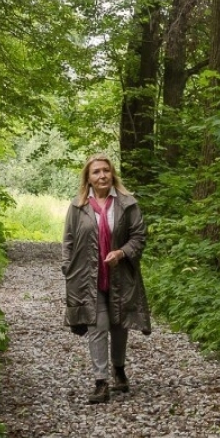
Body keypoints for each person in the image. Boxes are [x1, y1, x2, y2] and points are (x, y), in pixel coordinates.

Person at [61, 154, 152, 404]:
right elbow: (68, 240)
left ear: (112, 174)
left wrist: (122, 253)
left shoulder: (127, 203)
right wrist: (67, 267)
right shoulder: (78, 206)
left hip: (120, 275)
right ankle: (101, 382)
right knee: (97, 324)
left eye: (106, 171)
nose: (102, 176)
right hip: (86, 276)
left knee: (119, 324)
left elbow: (139, 236)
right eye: (96, 172)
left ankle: (119, 369)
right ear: (88, 178)